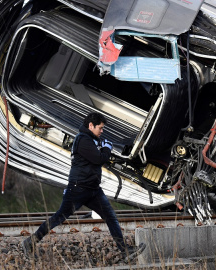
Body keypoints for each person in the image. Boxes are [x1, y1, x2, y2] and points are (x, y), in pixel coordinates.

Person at [21, 112, 145, 262]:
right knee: (59, 217)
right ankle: (30, 242)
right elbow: (99, 159)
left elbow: (98, 159)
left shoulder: (91, 140)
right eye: (100, 128)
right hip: (78, 189)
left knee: (110, 217)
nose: (102, 131)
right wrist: (106, 148)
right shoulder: (83, 140)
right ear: (91, 126)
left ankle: (125, 250)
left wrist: (104, 148)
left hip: (93, 190)